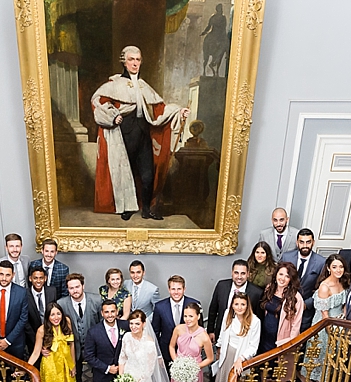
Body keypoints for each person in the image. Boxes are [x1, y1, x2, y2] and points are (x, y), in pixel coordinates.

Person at [91, 46, 190, 220]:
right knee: (124, 172)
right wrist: (114, 117)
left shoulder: (144, 86)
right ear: (124, 61)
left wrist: (179, 111)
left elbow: (159, 109)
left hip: (143, 134)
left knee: (147, 174)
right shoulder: (114, 85)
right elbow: (98, 103)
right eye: (131, 59)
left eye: (138, 59)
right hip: (123, 135)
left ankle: (146, 210)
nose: (135, 63)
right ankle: (126, 208)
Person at [58, 273, 102, 382]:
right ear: (68, 289)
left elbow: (102, 324)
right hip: (72, 346)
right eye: (71, 288)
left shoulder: (96, 300)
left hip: (94, 345)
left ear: (83, 286)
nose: (75, 290)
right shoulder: (62, 304)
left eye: (77, 287)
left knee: (98, 372)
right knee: (75, 375)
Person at [27, 302, 76, 382]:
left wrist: (73, 365)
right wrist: (25, 368)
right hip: (50, 364)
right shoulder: (42, 330)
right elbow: (36, 352)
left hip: (65, 361)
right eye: (52, 314)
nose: (56, 317)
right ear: (47, 317)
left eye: (58, 314)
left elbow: (71, 345)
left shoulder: (67, 322)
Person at [309, 254, 350, 381]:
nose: (338, 270)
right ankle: (318, 379)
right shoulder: (324, 287)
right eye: (334, 267)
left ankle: (329, 379)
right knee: (324, 351)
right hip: (324, 324)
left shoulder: (343, 282)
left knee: (335, 353)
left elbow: (344, 305)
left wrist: (343, 320)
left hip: (339, 322)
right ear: (328, 268)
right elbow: (324, 314)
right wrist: (331, 332)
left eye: (341, 267)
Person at [213, 293, 261, 382]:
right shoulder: (228, 314)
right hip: (227, 353)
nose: (239, 307)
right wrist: (219, 348)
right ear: (232, 305)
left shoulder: (255, 322)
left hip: (241, 355)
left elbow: (253, 347)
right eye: (236, 304)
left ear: (247, 305)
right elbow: (222, 332)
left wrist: (240, 359)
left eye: (243, 304)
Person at [207, 259, 263, 344]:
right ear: (232, 273)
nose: (239, 277)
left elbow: (259, 317)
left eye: (243, 273)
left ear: (248, 274)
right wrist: (211, 330)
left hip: (244, 338)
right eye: (236, 273)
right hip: (223, 332)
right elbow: (213, 310)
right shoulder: (222, 285)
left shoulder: (257, 293)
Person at [151, 275, 201, 368]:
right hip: (166, 353)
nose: (176, 292)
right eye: (173, 289)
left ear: (184, 289)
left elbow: (199, 331)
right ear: (169, 289)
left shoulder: (194, 304)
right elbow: (155, 332)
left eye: (179, 289)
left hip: (190, 353)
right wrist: (158, 355)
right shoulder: (159, 307)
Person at [281, 228, 325, 331]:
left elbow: (321, 289)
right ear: (297, 243)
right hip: (284, 305)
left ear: (313, 242)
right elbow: (279, 279)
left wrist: (306, 304)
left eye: (308, 242)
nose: (305, 245)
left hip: (306, 311)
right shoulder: (286, 257)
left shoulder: (321, 262)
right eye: (301, 242)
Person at [258, 263, 304, 353]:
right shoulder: (269, 288)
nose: (282, 278)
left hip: (281, 341)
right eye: (281, 274)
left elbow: (296, 325)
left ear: (291, 279)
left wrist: (290, 344)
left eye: (287, 276)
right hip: (264, 337)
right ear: (276, 274)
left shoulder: (296, 298)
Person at [25, 265, 58, 356]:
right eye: (35, 278)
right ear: (30, 279)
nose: (38, 281)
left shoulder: (52, 291)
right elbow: (25, 322)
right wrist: (37, 343)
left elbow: (56, 315)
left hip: (52, 337)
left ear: (45, 278)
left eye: (41, 278)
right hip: (32, 338)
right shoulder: (24, 294)